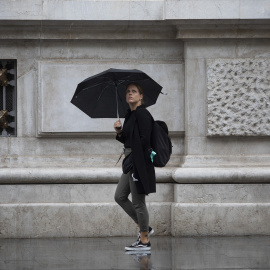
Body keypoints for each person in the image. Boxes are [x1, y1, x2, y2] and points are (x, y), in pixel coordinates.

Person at [113, 82, 156, 251]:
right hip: (130, 160)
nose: (130, 94)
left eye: (134, 91)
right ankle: (144, 226)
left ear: (141, 96)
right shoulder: (130, 115)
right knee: (119, 196)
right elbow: (130, 140)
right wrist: (119, 132)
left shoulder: (142, 114)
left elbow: (146, 141)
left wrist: (139, 165)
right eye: (128, 92)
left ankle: (144, 239)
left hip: (138, 162)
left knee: (138, 202)